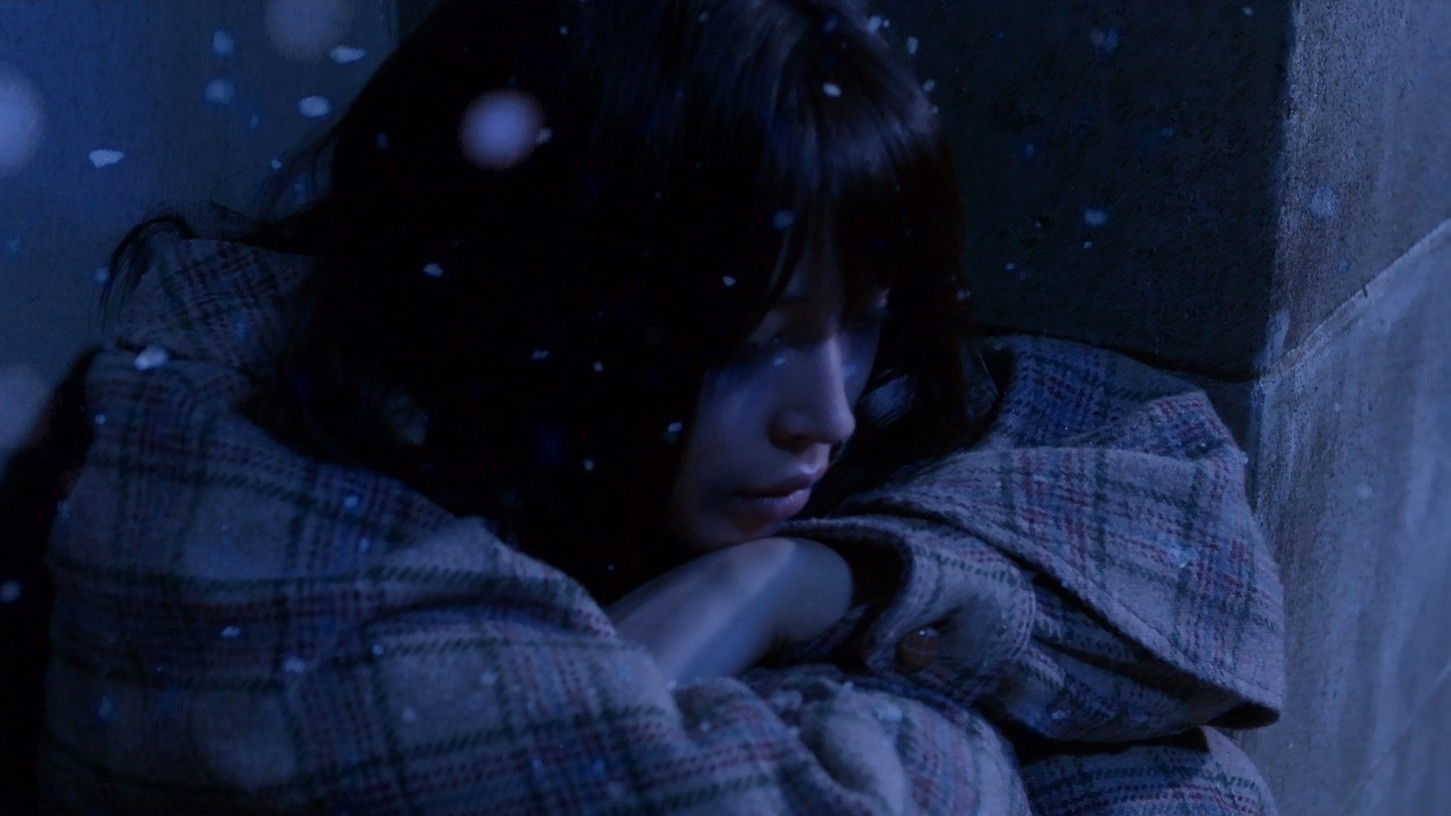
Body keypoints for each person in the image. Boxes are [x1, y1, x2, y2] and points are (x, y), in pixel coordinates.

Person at [35, 0, 1286, 813]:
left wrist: (797, 580)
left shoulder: (683, 417)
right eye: (749, 345)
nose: (828, 415)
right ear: (543, 302)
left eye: (860, 321)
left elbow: (1190, 545)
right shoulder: (242, 519)